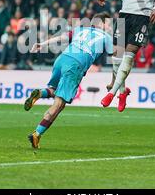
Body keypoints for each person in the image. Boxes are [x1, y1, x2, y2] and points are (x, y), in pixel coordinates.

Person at [24, 12, 113, 149]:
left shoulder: (81, 29)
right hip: (75, 65)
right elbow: (116, 59)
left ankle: (41, 93)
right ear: (100, 23)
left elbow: (62, 37)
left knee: (55, 91)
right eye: (108, 23)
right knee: (59, 104)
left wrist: (42, 44)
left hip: (62, 59)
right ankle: (36, 133)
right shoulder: (106, 37)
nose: (110, 27)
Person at [97, 0, 155, 111]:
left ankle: (112, 93)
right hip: (124, 16)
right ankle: (122, 92)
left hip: (142, 18)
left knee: (128, 57)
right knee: (116, 57)